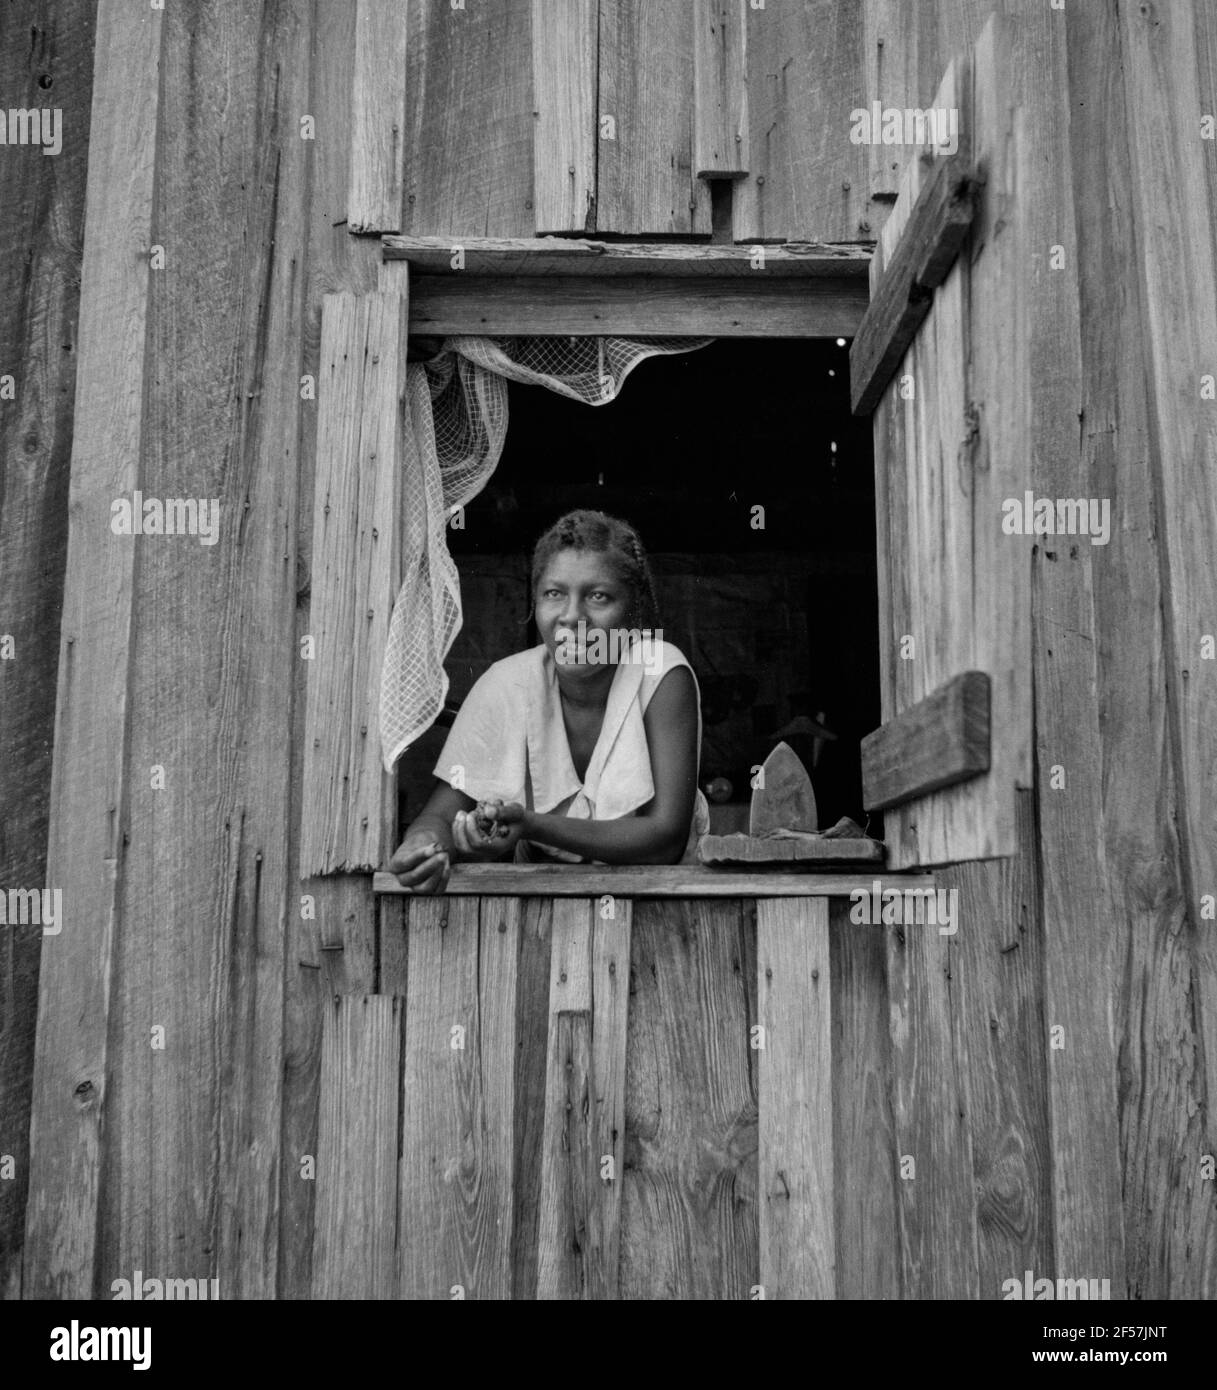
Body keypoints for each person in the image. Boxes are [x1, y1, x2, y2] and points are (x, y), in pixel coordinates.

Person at [389, 509, 709, 893]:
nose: (572, 616)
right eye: (554, 594)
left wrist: (532, 825)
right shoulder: (507, 683)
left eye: (598, 596)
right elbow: (440, 815)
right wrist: (425, 845)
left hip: (667, 913)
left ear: (633, 611)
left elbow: (664, 840)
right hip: (543, 925)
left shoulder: (659, 673)